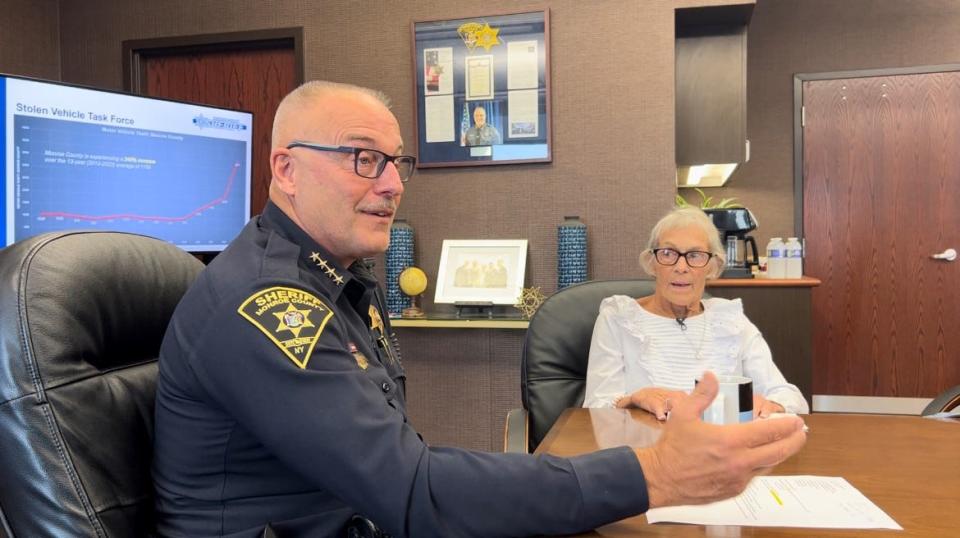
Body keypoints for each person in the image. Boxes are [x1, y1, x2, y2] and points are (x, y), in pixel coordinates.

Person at [152, 81, 806, 537]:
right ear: (286, 170)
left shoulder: (337, 281)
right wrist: (653, 473)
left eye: (396, 162)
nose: (392, 183)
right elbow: (411, 491)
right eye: (363, 160)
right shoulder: (269, 302)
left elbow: (399, 472)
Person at [582, 207, 810, 419]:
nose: (681, 267)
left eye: (695, 255)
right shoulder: (618, 318)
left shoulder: (730, 320)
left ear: (712, 267)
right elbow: (595, 407)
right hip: (646, 453)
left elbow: (788, 395)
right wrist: (633, 399)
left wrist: (772, 405)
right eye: (669, 253)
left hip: (724, 453)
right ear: (652, 263)